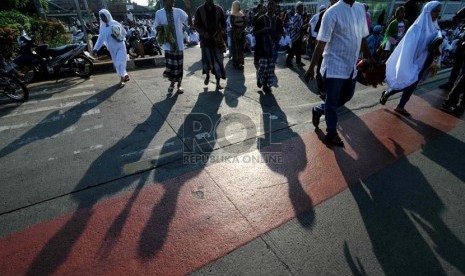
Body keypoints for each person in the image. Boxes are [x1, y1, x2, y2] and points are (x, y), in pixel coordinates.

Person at [304, 0, 374, 147]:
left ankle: (318, 110)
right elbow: (321, 42)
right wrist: (311, 68)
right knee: (332, 99)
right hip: (334, 65)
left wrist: (370, 58)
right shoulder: (332, 12)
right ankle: (331, 133)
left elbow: (362, 37)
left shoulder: (360, 8)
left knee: (346, 96)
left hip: (351, 66)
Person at [379, 1, 442, 117]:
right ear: (428, 11)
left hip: (424, 61)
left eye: (439, 11)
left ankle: (400, 106)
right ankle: (388, 93)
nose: (437, 14)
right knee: (407, 82)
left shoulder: (435, 26)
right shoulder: (416, 28)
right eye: (435, 11)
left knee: (412, 85)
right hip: (412, 61)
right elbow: (407, 48)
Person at [153, 0, 190, 94]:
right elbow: (156, 27)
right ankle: (172, 84)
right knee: (171, 67)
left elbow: (188, 22)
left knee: (179, 66)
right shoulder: (159, 13)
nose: (173, 0)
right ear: (165, 1)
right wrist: (161, 28)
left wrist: (188, 9)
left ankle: (179, 85)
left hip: (179, 45)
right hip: (168, 46)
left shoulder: (179, 11)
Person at [194, 0, 227, 90]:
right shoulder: (199, 10)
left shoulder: (219, 9)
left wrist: (220, 33)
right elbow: (196, 25)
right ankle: (207, 75)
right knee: (207, 61)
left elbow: (224, 25)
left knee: (219, 61)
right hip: (205, 41)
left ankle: (218, 83)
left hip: (217, 41)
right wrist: (204, 33)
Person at [93, 9, 129, 88]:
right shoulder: (102, 27)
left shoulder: (114, 23)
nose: (102, 18)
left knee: (120, 62)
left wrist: (117, 37)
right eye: (101, 16)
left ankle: (122, 79)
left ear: (108, 15)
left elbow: (124, 33)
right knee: (116, 63)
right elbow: (100, 38)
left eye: (104, 16)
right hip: (111, 48)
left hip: (120, 46)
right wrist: (95, 48)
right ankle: (125, 74)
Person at [254, 0, 284, 93]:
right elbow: (255, 32)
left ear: (275, 7)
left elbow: (281, 32)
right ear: (266, 7)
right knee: (263, 67)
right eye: (269, 4)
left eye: (272, 4)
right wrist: (263, 30)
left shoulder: (278, 19)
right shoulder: (261, 18)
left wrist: (277, 39)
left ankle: (266, 85)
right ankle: (260, 79)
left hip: (273, 48)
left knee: (271, 68)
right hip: (263, 47)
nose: (270, 6)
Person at [286, 1, 306, 67]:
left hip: (298, 35)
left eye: (302, 7)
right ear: (297, 8)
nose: (302, 8)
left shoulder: (299, 15)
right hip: (295, 36)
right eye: (301, 7)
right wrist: (302, 27)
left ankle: (298, 62)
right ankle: (288, 62)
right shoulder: (296, 16)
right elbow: (294, 27)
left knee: (298, 50)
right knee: (293, 50)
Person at [229, 1, 247, 70]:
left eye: (239, 5)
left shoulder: (243, 15)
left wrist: (241, 30)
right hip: (234, 34)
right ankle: (236, 63)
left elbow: (245, 24)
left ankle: (240, 63)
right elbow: (232, 25)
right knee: (235, 49)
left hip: (241, 34)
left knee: (241, 49)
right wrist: (237, 32)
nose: (239, 6)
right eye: (237, 5)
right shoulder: (232, 15)